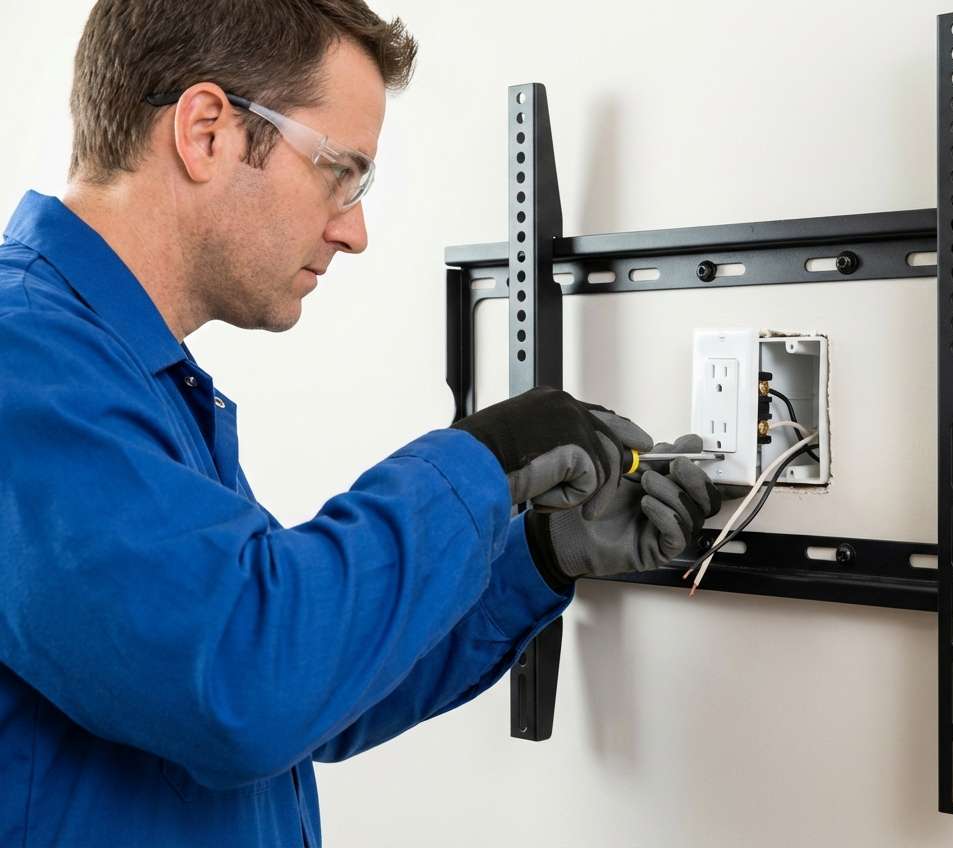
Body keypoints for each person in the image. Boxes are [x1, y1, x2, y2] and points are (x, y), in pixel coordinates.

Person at [0, 2, 723, 846]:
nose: (355, 230)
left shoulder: (123, 373)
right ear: (206, 133)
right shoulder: (27, 362)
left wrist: (533, 557)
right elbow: (247, 689)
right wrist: (483, 462)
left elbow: (314, 688)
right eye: (339, 171)